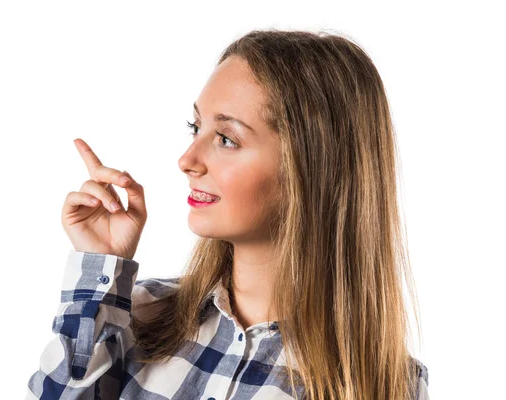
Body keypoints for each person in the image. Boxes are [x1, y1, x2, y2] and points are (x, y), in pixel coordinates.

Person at [26, 29, 430, 400]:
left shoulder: (384, 383)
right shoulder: (135, 313)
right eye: (195, 126)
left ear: (313, 167)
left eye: (226, 138)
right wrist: (101, 266)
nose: (187, 160)